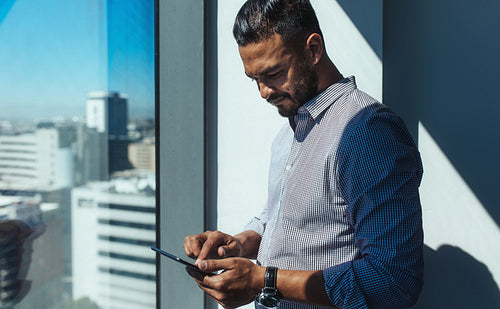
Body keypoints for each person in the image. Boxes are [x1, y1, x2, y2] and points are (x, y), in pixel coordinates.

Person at [184, 0, 424, 308]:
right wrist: (238, 246)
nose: (263, 92)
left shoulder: (367, 131)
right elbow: (283, 222)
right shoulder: (289, 132)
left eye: (273, 73)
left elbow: (393, 279)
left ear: (313, 50)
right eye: (254, 79)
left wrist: (263, 281)